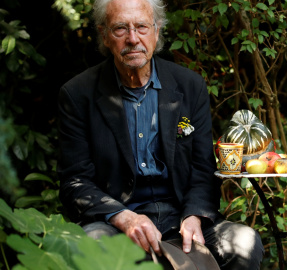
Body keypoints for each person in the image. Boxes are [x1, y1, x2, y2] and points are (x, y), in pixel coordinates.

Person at [57, 0, 264, 268]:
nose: (133, 39)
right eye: (120, 28)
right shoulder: (77, 95)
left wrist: (195, 216)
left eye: (141, 26)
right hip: (115, 222)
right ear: (105, 36)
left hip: (180, 215)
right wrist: (124, 217)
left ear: (157, 30)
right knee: (93, 245)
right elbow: (75, 181)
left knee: (243, 242)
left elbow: (203, 169)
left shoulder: (190, 86)